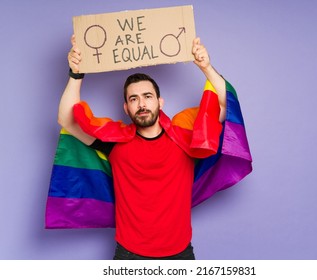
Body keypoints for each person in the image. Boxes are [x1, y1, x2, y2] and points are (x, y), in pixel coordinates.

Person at [58, 35, 227, 260]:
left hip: (180, 255)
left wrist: (206, 67)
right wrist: (76, 73)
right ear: (126, 108)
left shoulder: (185, 134)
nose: (142, 104)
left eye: (147, 96)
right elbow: (67, 120)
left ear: (160, 102)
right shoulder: (114, 140)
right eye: (134, 99)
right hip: (129, 255)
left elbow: (225, 105)